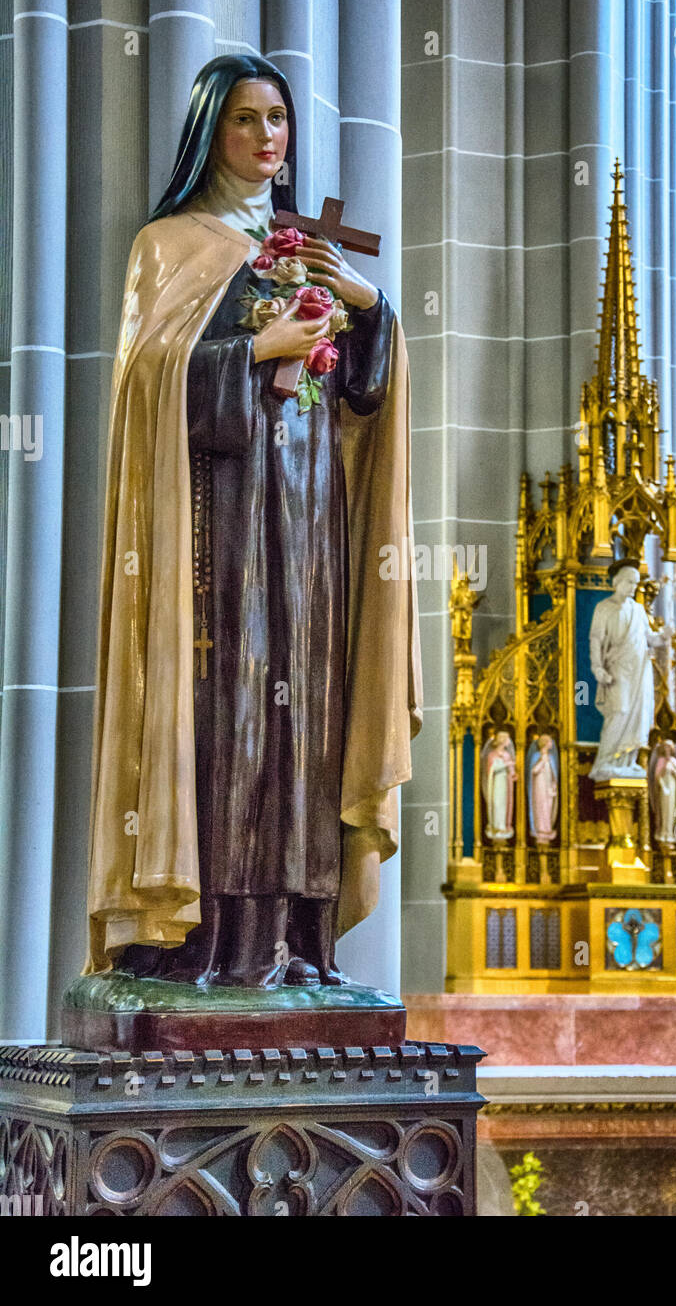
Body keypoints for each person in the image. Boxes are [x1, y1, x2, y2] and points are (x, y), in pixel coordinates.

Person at [84, 55, 421, 988]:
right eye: (245, 119)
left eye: (278, 118)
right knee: (231, 709)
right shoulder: (170, 243)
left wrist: (368, 307)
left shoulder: (304, 242)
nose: (268, 135)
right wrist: (253, 351)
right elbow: (145, 385)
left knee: (307, 712)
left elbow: (365, 396)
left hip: (311, 520)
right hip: (217, 529)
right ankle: (205, 944)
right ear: (210, 133)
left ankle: (299, 945)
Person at [589, 559, 671, 780]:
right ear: (617, 582)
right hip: (617, 671)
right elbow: (596, 639)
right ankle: (606, 761)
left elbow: (649, 639)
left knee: (639, 716)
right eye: (629, 582)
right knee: (619, 712)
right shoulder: (603, 608)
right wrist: (597, 668)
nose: (633, 587)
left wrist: (664, 636)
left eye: (636, 583)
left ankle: (627, 761)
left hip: (639, 672)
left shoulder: (638, 609)